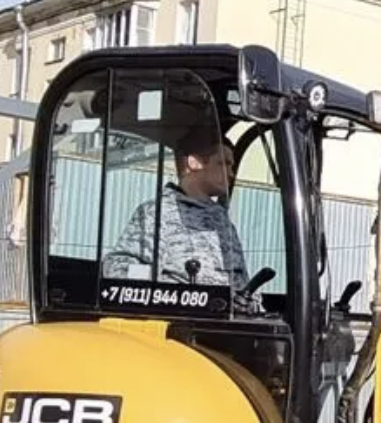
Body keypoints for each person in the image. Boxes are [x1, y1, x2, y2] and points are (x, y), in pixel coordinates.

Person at [99, 124, 263, 316]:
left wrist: (249, 301)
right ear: (194, 163)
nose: (231, 173)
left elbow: (242, 281)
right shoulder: (157, 214)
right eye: (223, 163)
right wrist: (180, 297)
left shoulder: (224, 223)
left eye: (231, 165)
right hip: (177, 329)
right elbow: (118, 270)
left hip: (224, 328)